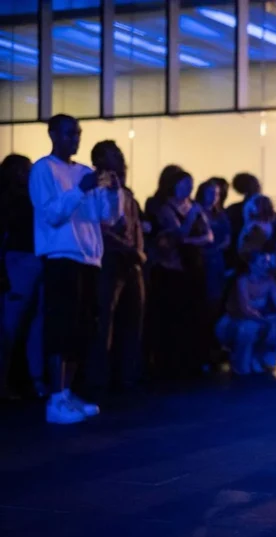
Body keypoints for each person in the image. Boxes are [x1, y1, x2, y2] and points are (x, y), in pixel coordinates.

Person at [30, 114, 121, 423]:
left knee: (82, 330)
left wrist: (113, 192)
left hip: (89, 258)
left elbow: (108, 218)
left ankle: (67, 393)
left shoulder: (84, 172)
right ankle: (55, 398)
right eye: (69, 133)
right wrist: (80, 190)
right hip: (60, 256)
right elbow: (51, 214)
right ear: (53, 134)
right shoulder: (43, 169)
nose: (75, 139)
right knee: (61, 328)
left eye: (78, 133)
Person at [85, 141, 145, 393]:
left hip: (131, 262)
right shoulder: (92, 191)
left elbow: (135, 225)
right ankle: (98, 378)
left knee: (133, 318)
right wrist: (128, 248)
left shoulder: (126, 193)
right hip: (107, 260)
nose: (119, 157)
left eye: (119, 153)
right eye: (113, 154)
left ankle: (127, 375)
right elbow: (96, 227)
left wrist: (139, 252)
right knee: (104, 321)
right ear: (99, 160)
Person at [150, 169, 213, 379]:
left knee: (194, 314)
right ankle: (170, 364)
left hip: (194, 266)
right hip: (172, 268)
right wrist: (191, 221)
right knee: (173, 315)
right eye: (184, 184)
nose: (189, 188)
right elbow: (178, 233)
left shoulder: (194, 206)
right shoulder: (165, 207)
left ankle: (192, 362)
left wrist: (190, 240)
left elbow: (208, 236)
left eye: (191, 184)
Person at [217, 227, 276, 375]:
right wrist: (267, 323)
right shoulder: (243, 280)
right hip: (236, 323)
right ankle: (240, 360)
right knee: (249, 327)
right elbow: (245, 309)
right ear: (252, 264)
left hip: (259, 321)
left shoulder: (269, 281)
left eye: (267, 262)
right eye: (263, 262)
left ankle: (266, 355)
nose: (267, 265)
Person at [0, 154, 45, 398]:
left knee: (24, 324)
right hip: (20, 260)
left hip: (27, 259)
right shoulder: (17, 201)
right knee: (14, 325)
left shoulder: (23, 199)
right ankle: (13, 381)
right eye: (27, 170)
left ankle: (23, 380)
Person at [196, 178, 232, 324]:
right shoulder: (195, 212)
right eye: (210, 193)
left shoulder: (221, 215)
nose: (213, 197)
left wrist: (215, 249)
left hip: (216, 259)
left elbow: (227, 239)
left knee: (215, 297)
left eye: (216, 194)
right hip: (199, 259)